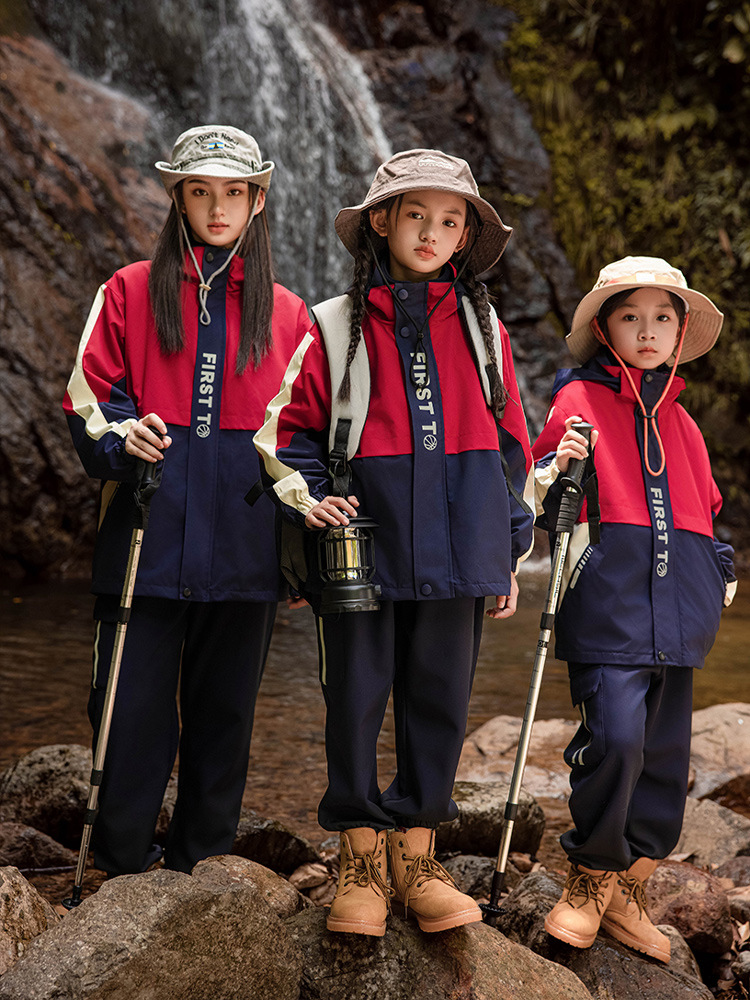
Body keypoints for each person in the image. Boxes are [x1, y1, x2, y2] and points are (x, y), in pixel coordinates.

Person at [255, 148, 534, 936]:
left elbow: (512, 447)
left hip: (462, 548)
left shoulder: (485, 330)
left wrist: (510, 548)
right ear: (382, 221)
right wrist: (312, 498)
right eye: (416, 215)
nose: (431, 232)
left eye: (450, 221)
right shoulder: (333, 324)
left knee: (439, 698)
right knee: (353, 698)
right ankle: (359, 861)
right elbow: (282, 434)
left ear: (465, 236)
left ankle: (417, 859)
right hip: (361, 550)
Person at [63, 125, 311, 876]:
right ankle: (121, 869)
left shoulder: (291, 315)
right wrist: (123, 438)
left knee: (224, 720)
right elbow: (88, 400)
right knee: (126, 713)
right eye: (200, 191)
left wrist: (303, 544)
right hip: (145, 541)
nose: (217, 207)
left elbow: (302, 439)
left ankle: (204, 875)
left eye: (234, 192)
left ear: (257, 201)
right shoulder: (128, 290)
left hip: (245, 554)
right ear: (178, 198)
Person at [531, 256, 737, 963]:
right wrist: (561, 467)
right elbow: (542, 492)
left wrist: (717, 569)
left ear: (679, 332)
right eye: (630, 316)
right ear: (604, 328)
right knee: (615, 740)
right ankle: (589, 877)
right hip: (608, 610)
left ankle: (629, 887)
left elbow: (707, 511)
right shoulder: (578, 401)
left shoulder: (686, 426)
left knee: (664, 761)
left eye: (661, 318)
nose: (647, 331)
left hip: (680, 618)